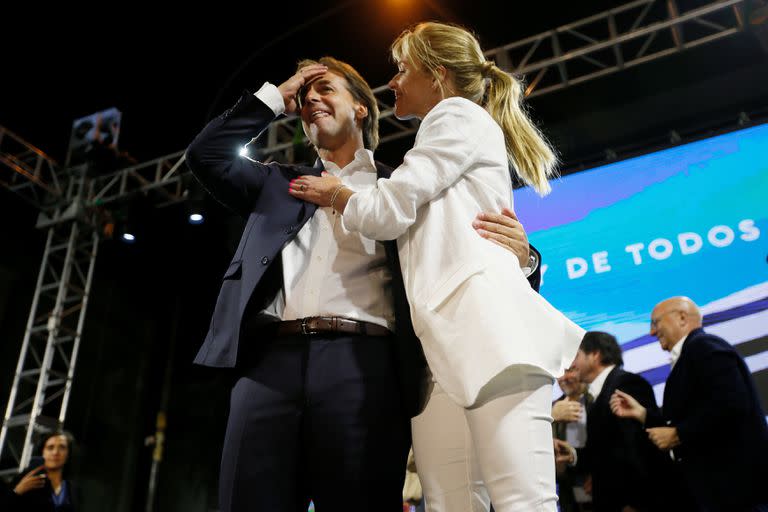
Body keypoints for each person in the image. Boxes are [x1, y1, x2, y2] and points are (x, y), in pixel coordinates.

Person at [185, 55, 540, 511]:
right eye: (306, 94)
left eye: (326, 88)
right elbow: (205, 154)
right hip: (268, 364)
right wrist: (278, 94)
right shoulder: (275, 183)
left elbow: (467, 258)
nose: (312, 98)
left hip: (366, 365)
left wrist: (524, 259)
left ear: (361, 108)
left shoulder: (405, 189)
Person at [289, 22, 584, 512]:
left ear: (439, 75)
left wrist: (336, 194)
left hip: (491, 340)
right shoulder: (436, 143)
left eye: (402, 69)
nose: (394, 82)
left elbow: (386, 210)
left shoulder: (455, 115)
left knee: (523, 503)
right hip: (435, 356)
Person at [610, 296, 768, 511]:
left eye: (655, 323)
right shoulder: (693, 352)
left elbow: (731, 403)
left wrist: (679, 434)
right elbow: (693, 415)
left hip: (734, 492)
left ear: (682, 318)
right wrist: (643, 414)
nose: (652, 332)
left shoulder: (704, 346)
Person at [568, 331, 668, 512]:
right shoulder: (600, 393)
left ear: (595, 355)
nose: (572, 364)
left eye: (576, 356)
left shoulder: (626, 384)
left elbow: (639, 447)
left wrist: (636, 502)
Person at [9, 430, 78, 512]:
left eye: (62, 448)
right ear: (42, 452)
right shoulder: (25, 479)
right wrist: (17, 491)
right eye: (50, 448)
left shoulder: (71, 489)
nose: (55, 452)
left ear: (68, 454)